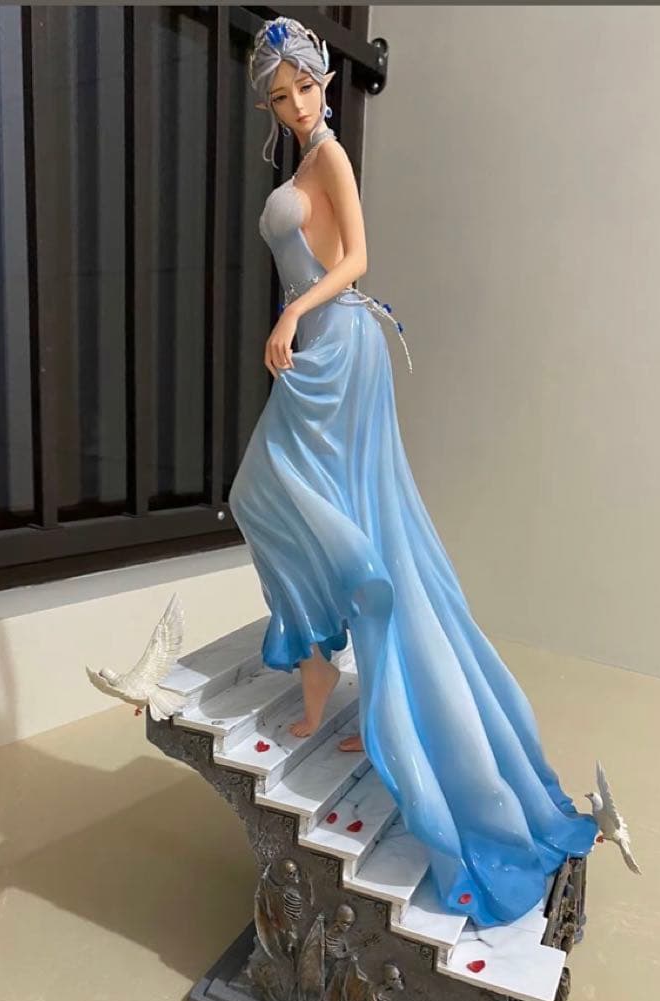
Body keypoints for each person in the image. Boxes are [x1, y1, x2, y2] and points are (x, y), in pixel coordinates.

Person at [228, 15, 598, 928]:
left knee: (314, 505)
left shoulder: (330, 158)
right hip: (318, 348)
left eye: (305, 86)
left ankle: (359, 684)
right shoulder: (301, 163)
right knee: (275, 498)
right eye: (280, 95)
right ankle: (324, 670)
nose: (296, 104)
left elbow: (358, 260)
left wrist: (291, 315)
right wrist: (296, 319)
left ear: (323, 82)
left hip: (338, 347)